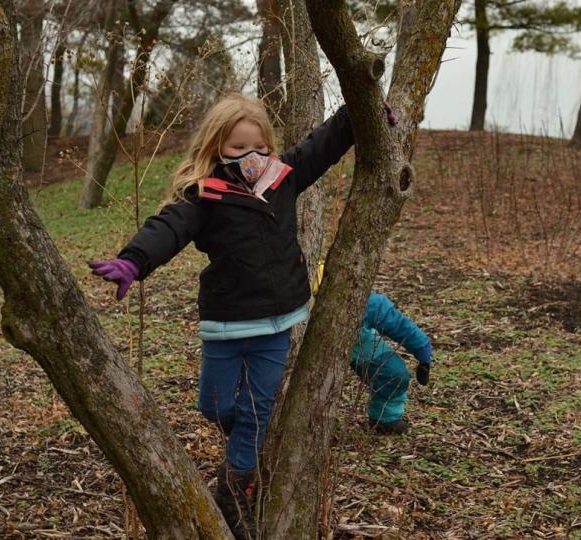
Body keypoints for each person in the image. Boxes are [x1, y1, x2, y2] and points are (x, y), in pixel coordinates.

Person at [90, 94, 392, 538]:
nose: (251, 158)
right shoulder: (204, 194)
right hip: (226, 323)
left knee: (254, 410)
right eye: (237, 149)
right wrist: (134, 261)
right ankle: (245, 445)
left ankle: (234, 489)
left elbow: (321, 146)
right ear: (215, 149)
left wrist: (358, 113)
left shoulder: (284, 177)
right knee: (215, 406)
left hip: (277, 322)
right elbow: (168, 227)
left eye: (260, 148)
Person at [352, 292, 433, 435]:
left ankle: (385, 420)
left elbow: (386, 315)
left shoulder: (356, 297)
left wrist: (421, 346)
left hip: (353, 333)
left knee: (393, 373)